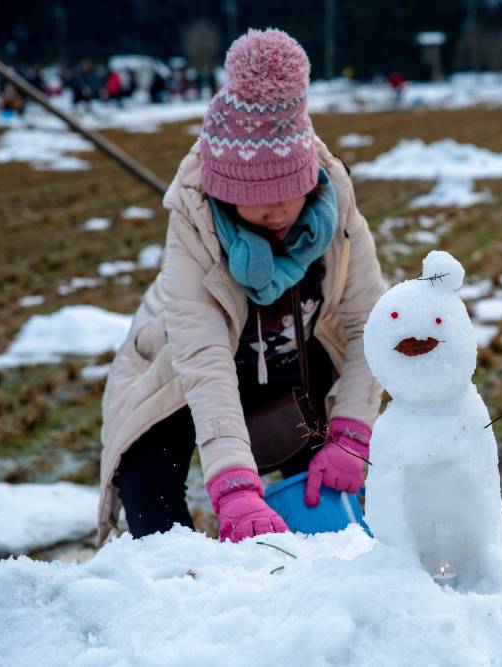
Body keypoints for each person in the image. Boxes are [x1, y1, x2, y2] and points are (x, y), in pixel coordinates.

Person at [95, 29, 385, 547]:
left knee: (321, 511)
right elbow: (203, 359)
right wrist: (232, 486)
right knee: (151, 502)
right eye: (257, 199)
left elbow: (369, 324)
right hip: (178, 371)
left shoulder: (336, 209)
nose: (277, 213)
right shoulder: (194, 227)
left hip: (293, 365)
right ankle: (186, 589)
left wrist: (351, 435)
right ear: (226, 194)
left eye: (290, 193)